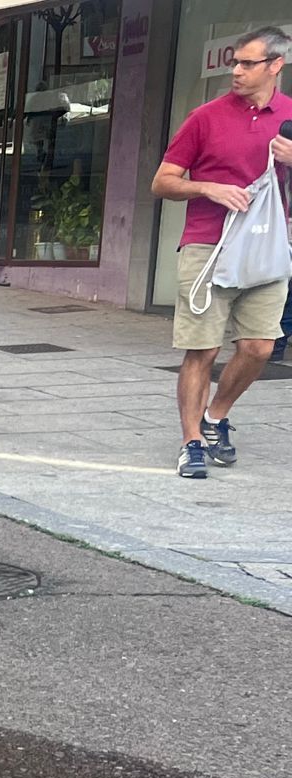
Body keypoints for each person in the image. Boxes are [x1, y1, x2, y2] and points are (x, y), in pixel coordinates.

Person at [152, 25, 292, 478]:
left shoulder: (290, 116)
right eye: (235, 61)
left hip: (267, 247)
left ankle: (216, 416)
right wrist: (208, 187)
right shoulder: (205, 117)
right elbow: (163, 181)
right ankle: (191, 439)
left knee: (259, 347)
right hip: (207, 244)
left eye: (248, 63)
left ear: (276, 65)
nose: (236, 70)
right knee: (202, 350)